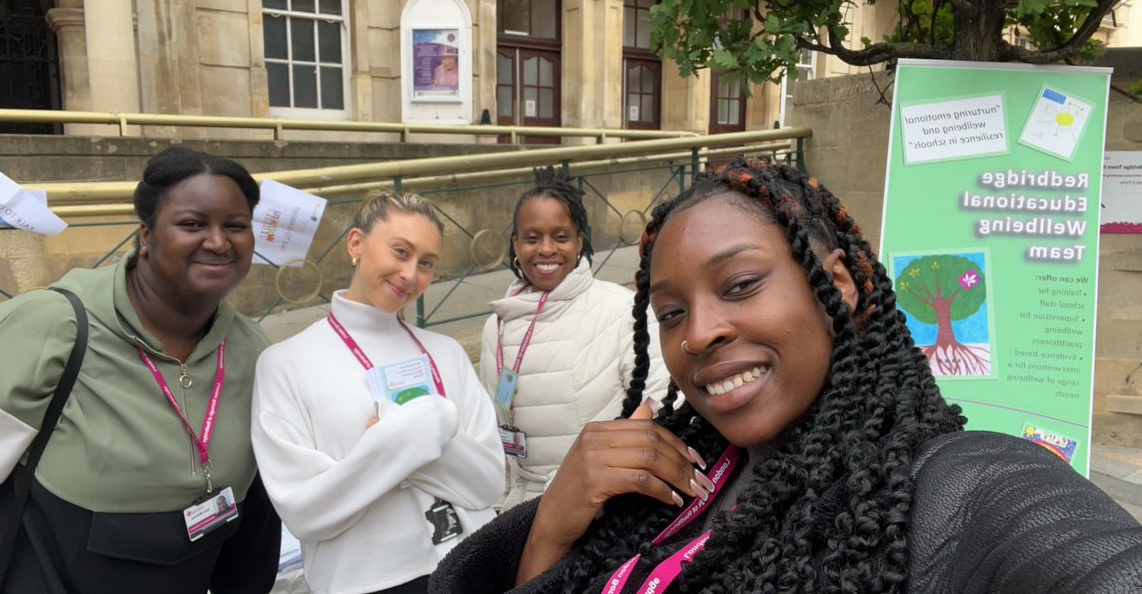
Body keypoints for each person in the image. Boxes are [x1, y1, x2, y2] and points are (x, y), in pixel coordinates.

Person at [431, 159, 1142, 593]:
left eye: (740, 284)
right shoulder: (673, 479)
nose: (699, 332)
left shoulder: (965, 488)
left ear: (840, 286)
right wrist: (552, 529)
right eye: (671, 312)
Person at [0, 147, 280, 593]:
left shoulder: (254, 354)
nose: (218, 242)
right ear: (146, 236)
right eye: (192, 224)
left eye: (235, 226)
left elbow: (254, 529)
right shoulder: (46, 330)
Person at [251, 191, 503, 594]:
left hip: (472, 565)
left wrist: (397, 440)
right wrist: (425, 431)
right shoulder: (284, 364)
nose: (410, 274)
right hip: (365, 583)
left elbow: (489, 483)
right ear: (356, 243)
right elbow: (305, 511)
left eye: (426, 263)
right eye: (400, 252)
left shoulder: (447, 353)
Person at [479, 168, 670, 510]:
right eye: (532, 238)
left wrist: (601, 476)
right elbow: (495, 424)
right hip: (520, 508)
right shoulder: (496, 325)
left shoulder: (621, 310)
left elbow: (661, 396)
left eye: (561, 237)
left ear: (580, 241)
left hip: (603, 506)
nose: (546, 249)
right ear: (515, 244)